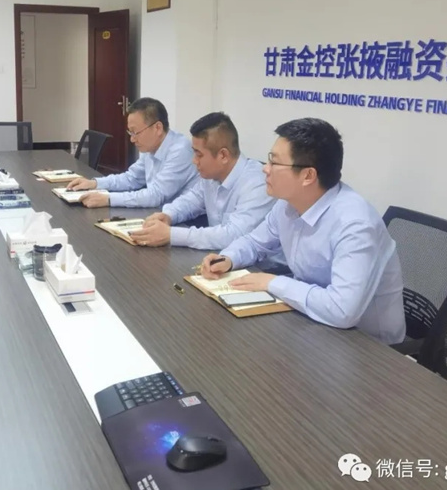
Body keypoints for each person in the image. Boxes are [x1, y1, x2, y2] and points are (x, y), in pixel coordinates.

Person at [199, 118, 405, 344]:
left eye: (275, 162)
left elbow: (342, 310)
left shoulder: (355, 224)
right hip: (310, 322)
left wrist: (272, 283)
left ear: (308, 176)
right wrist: (227, 259)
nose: (265, 169)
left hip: (368, 345)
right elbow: (255, 242)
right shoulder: (287, 204)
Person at [129, 112, 279, 257]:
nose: (194, 161)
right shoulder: (211, 176)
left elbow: (233, 235)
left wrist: (171, 235)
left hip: (264, 268)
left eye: (199, 154)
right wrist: (168, 215)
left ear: (223, 155)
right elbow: (191, 200)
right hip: (220, 257)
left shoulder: (257, 184)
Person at [66, 97, 198, 208]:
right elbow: (131, 178)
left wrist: (108, 199)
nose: (132, 139)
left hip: (186, 222)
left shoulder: (180, 151)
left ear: (158, 128)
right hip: (159, 213)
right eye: (130, 132)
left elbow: (156, 195)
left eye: (136, 132)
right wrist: (95, 183)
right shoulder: (151, 147)